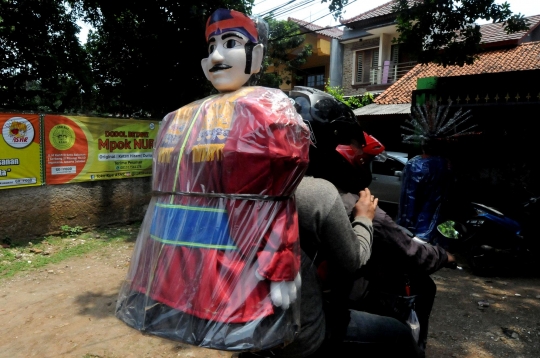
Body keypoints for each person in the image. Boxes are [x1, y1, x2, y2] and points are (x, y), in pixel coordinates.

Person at [116, 9, 312, 351]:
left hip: (178, 269)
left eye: (231, 43)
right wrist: (281, 264)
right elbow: (271, 198)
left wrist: (279, 261)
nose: (216, 56)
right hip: (225, 271)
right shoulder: (265, 109)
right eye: (211, 47)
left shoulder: (180, 118)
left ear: (257, 55)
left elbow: (266, 193)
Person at [238, 87, 426, 358]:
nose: (357, 149)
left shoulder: (243, 190)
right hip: (301, 335)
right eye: (351, 141)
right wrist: (363, 218)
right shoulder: (319, 193)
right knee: (399, 335)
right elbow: (354, 262)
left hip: (249, 326)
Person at [289, 87, 456, 355]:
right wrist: (443, 255)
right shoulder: (333, 197)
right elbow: (366, 256)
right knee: (401, 337)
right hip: (310, 321)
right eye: (351, 140)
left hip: (273, 309)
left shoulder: (274, 190)